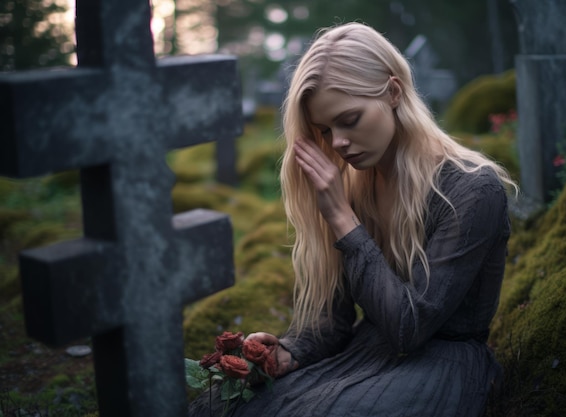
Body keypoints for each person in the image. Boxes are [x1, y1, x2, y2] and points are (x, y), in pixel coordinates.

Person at [190, 21, 516, 417]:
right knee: (217, 405)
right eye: (326, 130)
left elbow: (409, 328)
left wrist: (343, 219)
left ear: (393, 92)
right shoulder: (355, 185)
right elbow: (333, 318)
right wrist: (288, 354)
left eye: (350, 119)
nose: (338, 142)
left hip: (440, 364)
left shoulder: (471, 190)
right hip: (363, 355)